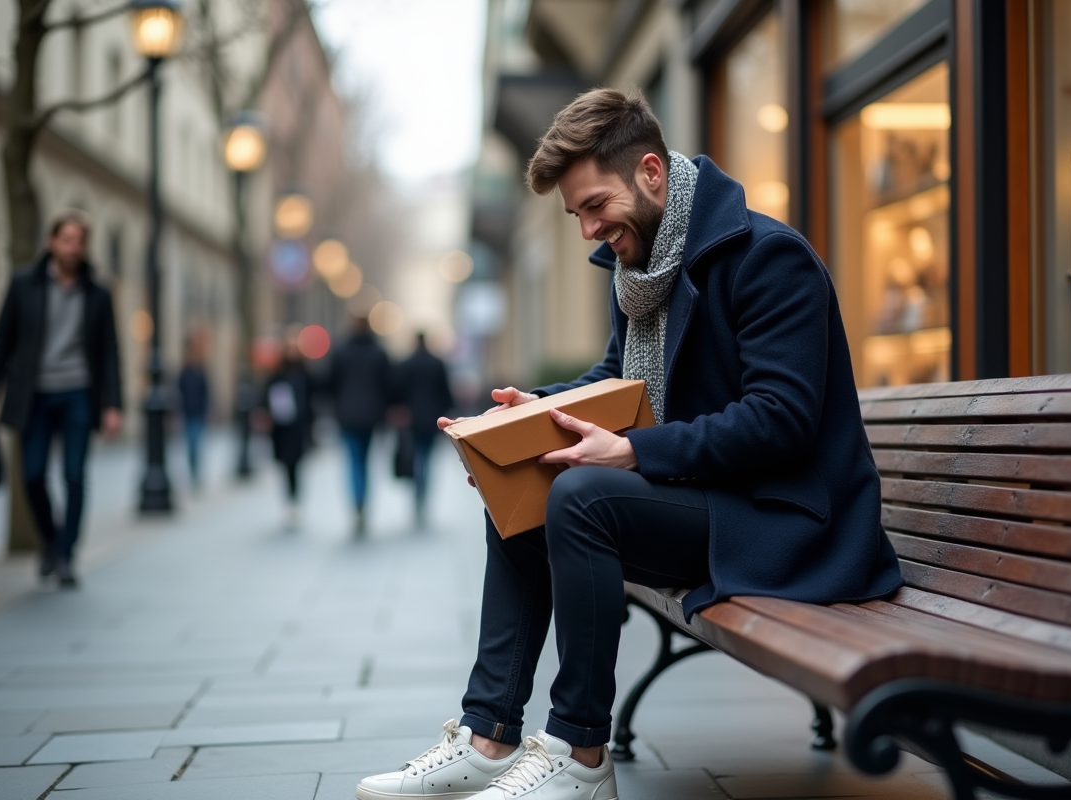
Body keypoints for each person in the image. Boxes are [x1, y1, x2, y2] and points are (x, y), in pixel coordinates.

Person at [355, 88, 902, 800]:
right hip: (714, 498)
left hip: (791, 520)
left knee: (580, 496)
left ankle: (581, 755)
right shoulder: (644, 271)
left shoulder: (769, 260)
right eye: (575, 213)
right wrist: (529, 420)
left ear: (650, 173)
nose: (586, 229)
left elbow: (781, 419)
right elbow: (617, 380)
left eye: (593, 206)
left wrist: (637, 452)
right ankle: (488, 735)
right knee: (522, 481)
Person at [0, 210, 123, 589]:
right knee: (32, 474)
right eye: (67, 240)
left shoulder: (98, 291)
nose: (74, 248)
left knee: (75, 475)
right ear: (51, 242)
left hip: (78, 393)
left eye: (80, 241)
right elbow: (2, 339)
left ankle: (66, 555)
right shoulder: (24, 283)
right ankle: (50, 542)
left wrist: (113, 405)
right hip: (34, 395)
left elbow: (109, 352)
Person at [326, 316, 391, 535]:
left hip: (347, 416)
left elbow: (330, 383)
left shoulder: (341, 352)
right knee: (365, 461)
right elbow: (388, 385)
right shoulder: (378, 353)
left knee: (353, 461)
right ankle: (363, 503)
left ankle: (357, 505)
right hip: (371, 417)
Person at [393, 331, 454, 526]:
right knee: (427, 458)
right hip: (432, 419)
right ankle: (423, 495)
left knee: (417, 455)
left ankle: (418, 494)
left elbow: (398, 391)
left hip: (412, 419)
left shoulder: (406, 363)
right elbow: (445, 392)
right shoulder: (437, 363)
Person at [262, 339, 314, 530]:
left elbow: (312, 397)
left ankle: (295, 500)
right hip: (281, 427)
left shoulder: (304, 373)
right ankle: (289, 500)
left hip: (298, 427)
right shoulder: (277, 374)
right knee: (285, 465)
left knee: (296, 465)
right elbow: (266, 395)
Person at [176, 337, 210, 489]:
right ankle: (192, 472)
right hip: (187, 413)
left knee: (195, 443)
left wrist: (207, 410)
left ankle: (195, 473)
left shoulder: (201, 372)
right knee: (190, 444)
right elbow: (178, 391)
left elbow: (207, 393)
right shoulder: (184, 372)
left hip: (198, 414)